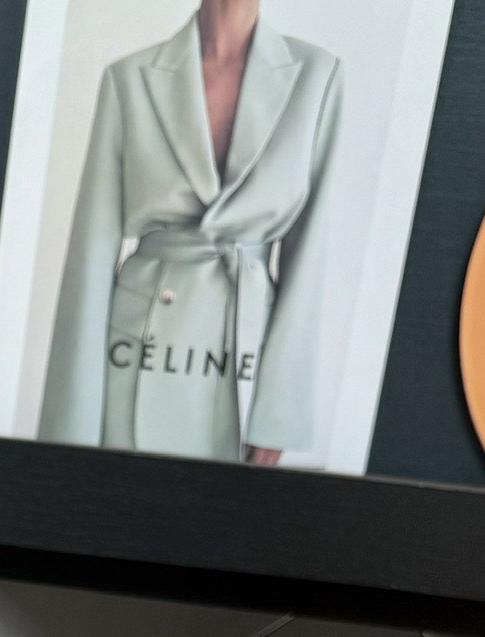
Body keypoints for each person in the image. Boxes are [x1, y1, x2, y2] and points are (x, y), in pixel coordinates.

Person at [39, 0, 341, 466]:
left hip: (241, 368)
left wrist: (278, 417)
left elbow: (310, 255)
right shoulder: (130, 78)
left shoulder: (317, 77)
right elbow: (90, 255)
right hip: (133, 358)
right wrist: (70, 431)